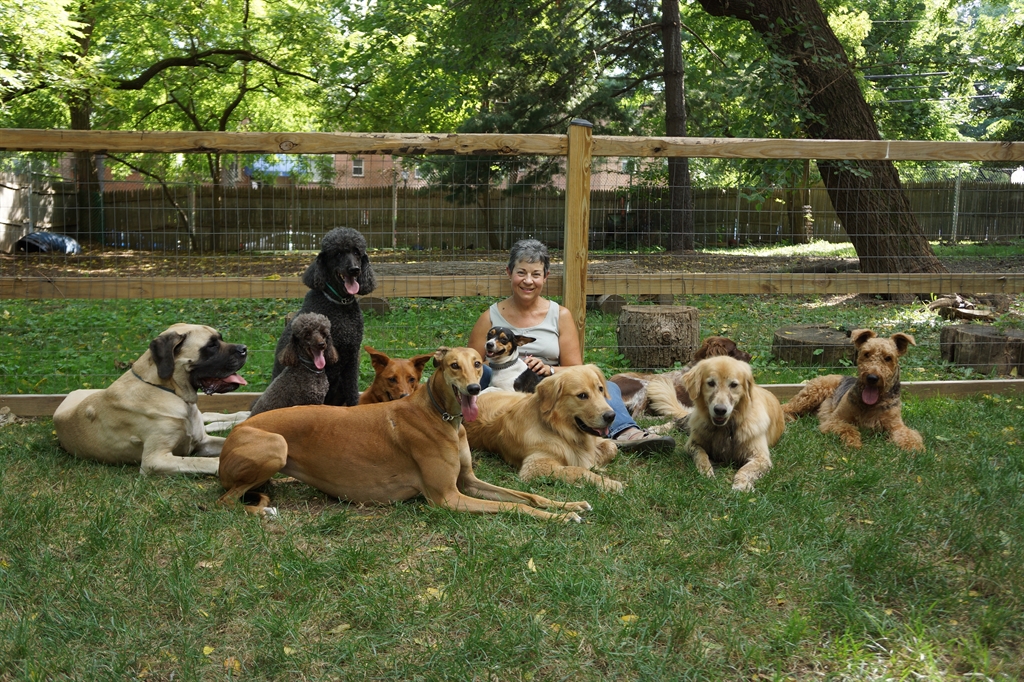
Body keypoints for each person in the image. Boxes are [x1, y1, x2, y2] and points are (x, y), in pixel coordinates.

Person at [469, 239, 675, 455]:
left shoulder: (560, 315)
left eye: (536, 274)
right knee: (477, 374)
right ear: (509, 273)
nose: (528, 281)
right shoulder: (489, 317)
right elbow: (472, 364)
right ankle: (461, 421)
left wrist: (549, 370)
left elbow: (576, 369)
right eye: (521, 273)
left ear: (545, 277)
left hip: (548, 384)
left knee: (608, 387)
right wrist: (505, 367)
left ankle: (627, 433)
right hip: (500, 386)